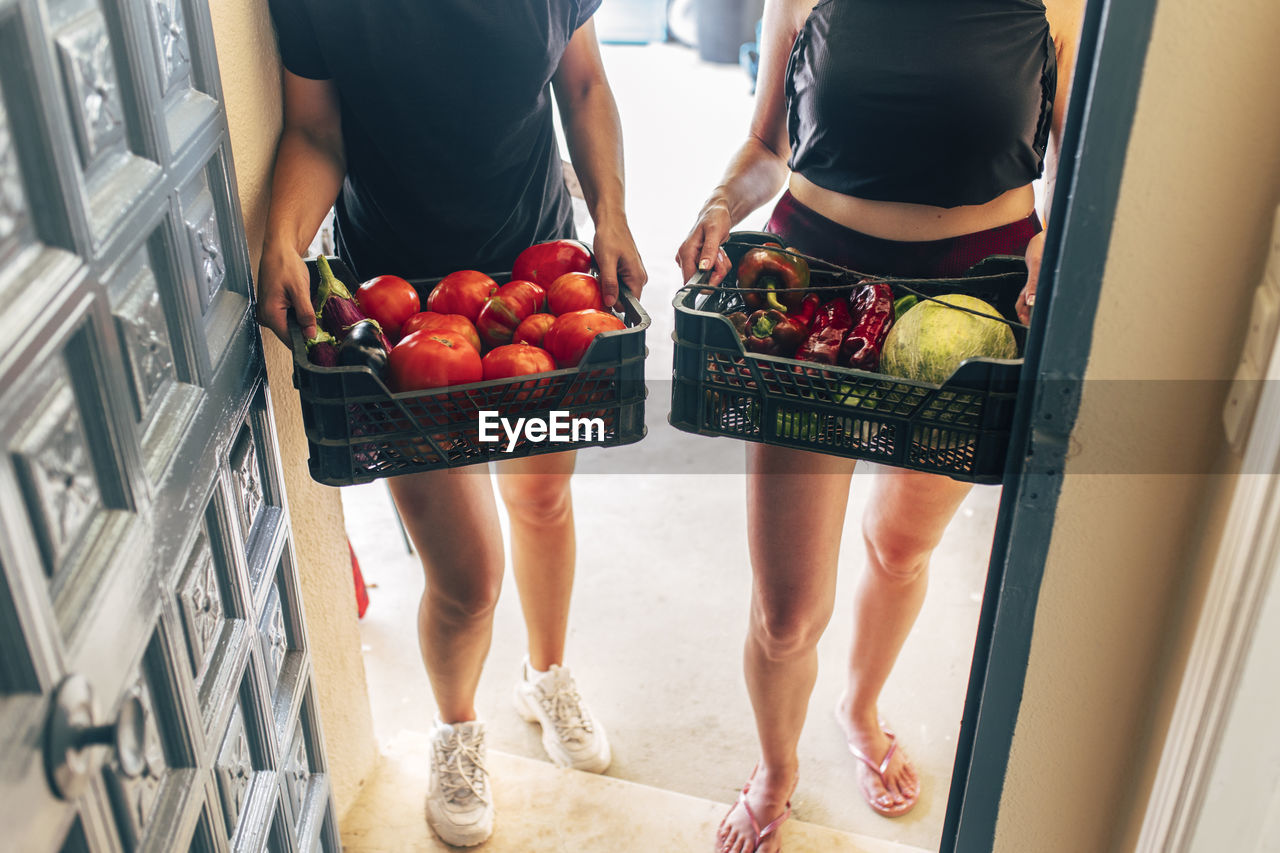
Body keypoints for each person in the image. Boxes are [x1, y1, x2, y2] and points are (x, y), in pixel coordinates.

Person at [676, 1, 1081, 849]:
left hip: (975, 299)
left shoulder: (1063, 6)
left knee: (901, 547)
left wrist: (1062, 241)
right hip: (807, 289)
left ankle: (858, 707)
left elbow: (1079, 171)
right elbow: (766, 150)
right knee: (786, 612)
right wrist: (720, 200)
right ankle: (777, 769)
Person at [257, 1, 646, 846]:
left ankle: (546, 675)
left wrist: (610, 214)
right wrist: (284, 236)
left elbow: (581, 84)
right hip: (398, 311)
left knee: (542, 499)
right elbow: (316, 131)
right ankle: (457, 730)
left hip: (538, 280)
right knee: (467, 575)